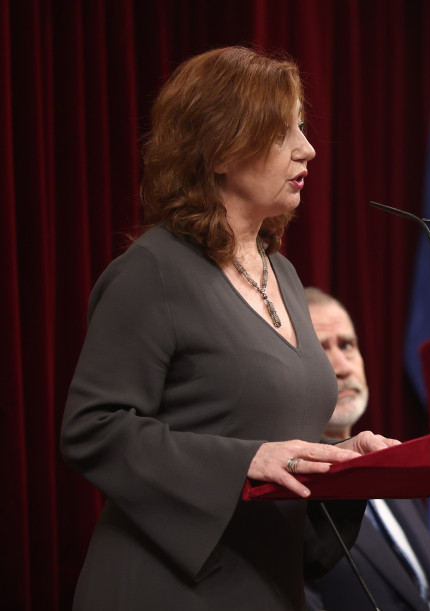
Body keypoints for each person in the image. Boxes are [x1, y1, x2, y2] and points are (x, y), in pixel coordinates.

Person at [60, 47, 398, 609]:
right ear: (220, 150)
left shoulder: (282, 273)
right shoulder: (153, 272)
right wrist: (243, 462)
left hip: (267, 581)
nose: (308, 148)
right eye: (283, 131)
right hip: (169, 588)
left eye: (303, 127)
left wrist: (342, 459)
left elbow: (258, 427)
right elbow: (92, 429)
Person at [302, 287, 430, 611]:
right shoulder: (290, 497)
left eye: (346, 345)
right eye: (319, 349)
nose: (342, 367)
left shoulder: (392, 468)